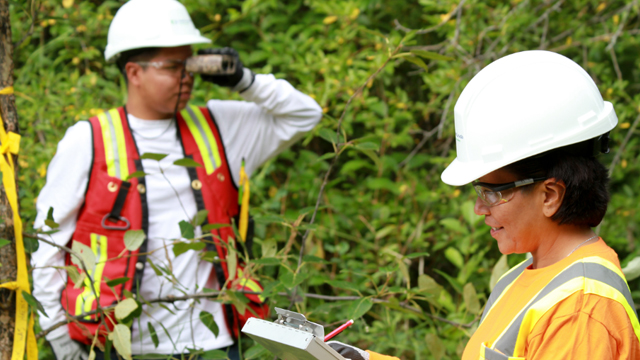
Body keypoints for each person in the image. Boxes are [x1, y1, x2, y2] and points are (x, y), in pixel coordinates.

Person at [31, 0, 322, 359]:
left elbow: (305, 114)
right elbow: (49, 247)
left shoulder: (220, 126)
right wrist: (61, 341)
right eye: (172, 67)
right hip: (118, 344)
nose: (188, 77)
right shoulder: (88, 140)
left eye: (191, 64)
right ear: (134, 72)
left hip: (215, 344)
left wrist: (244, 80)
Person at [329, 51, 640, 359]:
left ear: (549, 196)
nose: (480, 208)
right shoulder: (524, 277)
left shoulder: (580, 307)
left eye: (492, 192)